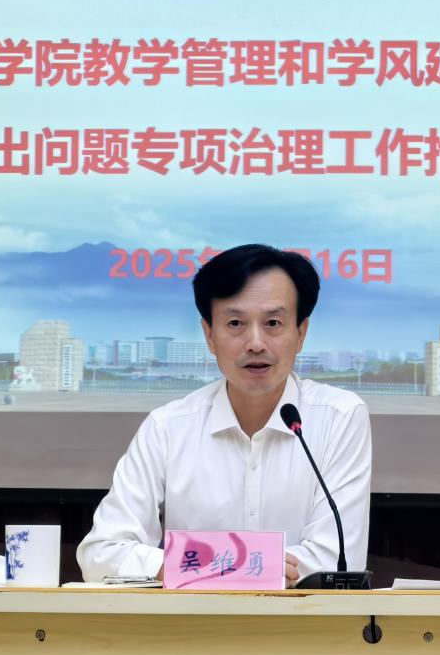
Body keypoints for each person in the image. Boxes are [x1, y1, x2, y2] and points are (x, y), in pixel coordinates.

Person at [77, 244, 372, 585]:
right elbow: (101, 555)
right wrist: (242, 564)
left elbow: (337, 561)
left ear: (301, 333)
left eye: (273, 323)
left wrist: (195, 565)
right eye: (235, 323)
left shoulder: (339, 418)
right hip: (193, 620)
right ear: (209, 335)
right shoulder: (167, 428)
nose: (255, 343)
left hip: (300, 619)